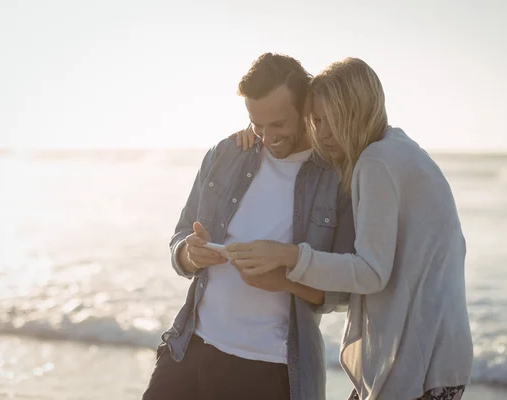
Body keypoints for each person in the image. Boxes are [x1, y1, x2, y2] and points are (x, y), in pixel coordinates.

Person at [229, 58, 473, 400]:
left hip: (417, 370)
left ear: (359, 112)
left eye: (334, 120)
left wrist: (287, 256)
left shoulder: (377, 163)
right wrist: (260, 136)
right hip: (439, 359)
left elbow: (371, 272)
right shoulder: (401, 151)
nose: (324, 133)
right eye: (316, 120)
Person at [142, 53, 355, 400]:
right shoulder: (227, 154)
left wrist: (283, 281)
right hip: (189, 349)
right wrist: (189, 255)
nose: (267, 138)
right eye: (257, 124)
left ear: (307, 108)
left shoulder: (336, 180)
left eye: (278, 124)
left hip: (269, 369)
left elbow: (346, 289)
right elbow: (178, 241)